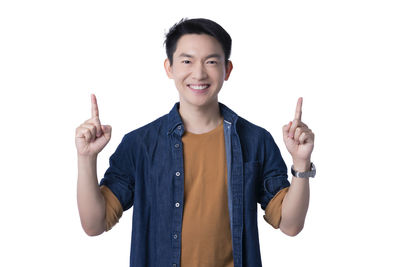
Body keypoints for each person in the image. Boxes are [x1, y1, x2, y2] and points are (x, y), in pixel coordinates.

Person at [75, 18, 315, 267]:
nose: (199, 73)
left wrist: (301, 163)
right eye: (187, 61)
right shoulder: (140, 145)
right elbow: (94, 225)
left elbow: (290, 225)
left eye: (211, 61)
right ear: (169, 68)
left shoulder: (255, 141)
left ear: (227, 69)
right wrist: (86, 158)